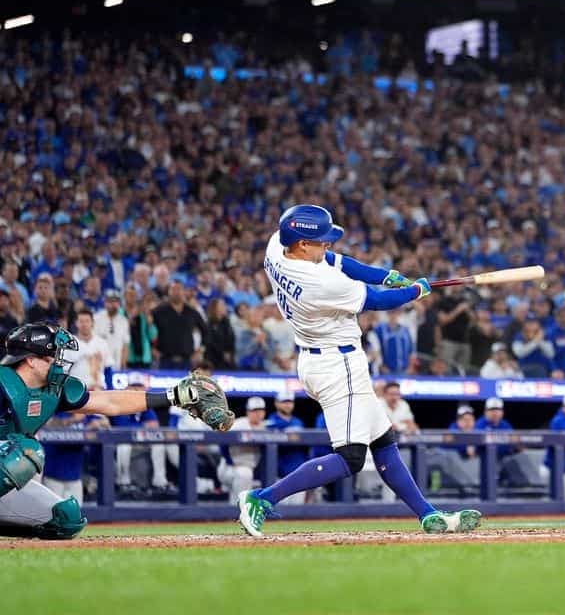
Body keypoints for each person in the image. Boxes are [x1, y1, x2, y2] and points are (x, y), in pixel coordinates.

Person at [237, 204, 480, 537]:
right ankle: (261, 499)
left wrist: (385, 275)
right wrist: (416, 290)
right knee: (351, 457)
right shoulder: (320, 284)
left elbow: (340, 262)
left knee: (382, 441)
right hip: (338, 365)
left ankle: (428, 514)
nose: (328, 246)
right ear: (303, 245)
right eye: (321, 241)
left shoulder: (278, 246)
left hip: (319, 359)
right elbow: (379, 303)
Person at [0, 322, 230, 539]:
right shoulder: (3, 382)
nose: (57, 363)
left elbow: (111, 403)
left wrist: (172, 396)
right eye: (52, 357)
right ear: (31, 360)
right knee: (25, 451)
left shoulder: (53, 390)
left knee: (66, 519)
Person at [219, 396, 268, 504]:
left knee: (239, 490)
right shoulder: (238, 425)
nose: (258, 413)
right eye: (254, 410)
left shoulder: (264, 427)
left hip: (248, 467)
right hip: (229, 467)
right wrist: (230, 461)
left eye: (260, 410)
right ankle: (240, 511)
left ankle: (232, 514)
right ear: (248, 412)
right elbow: (222, 442)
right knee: (244, 474)